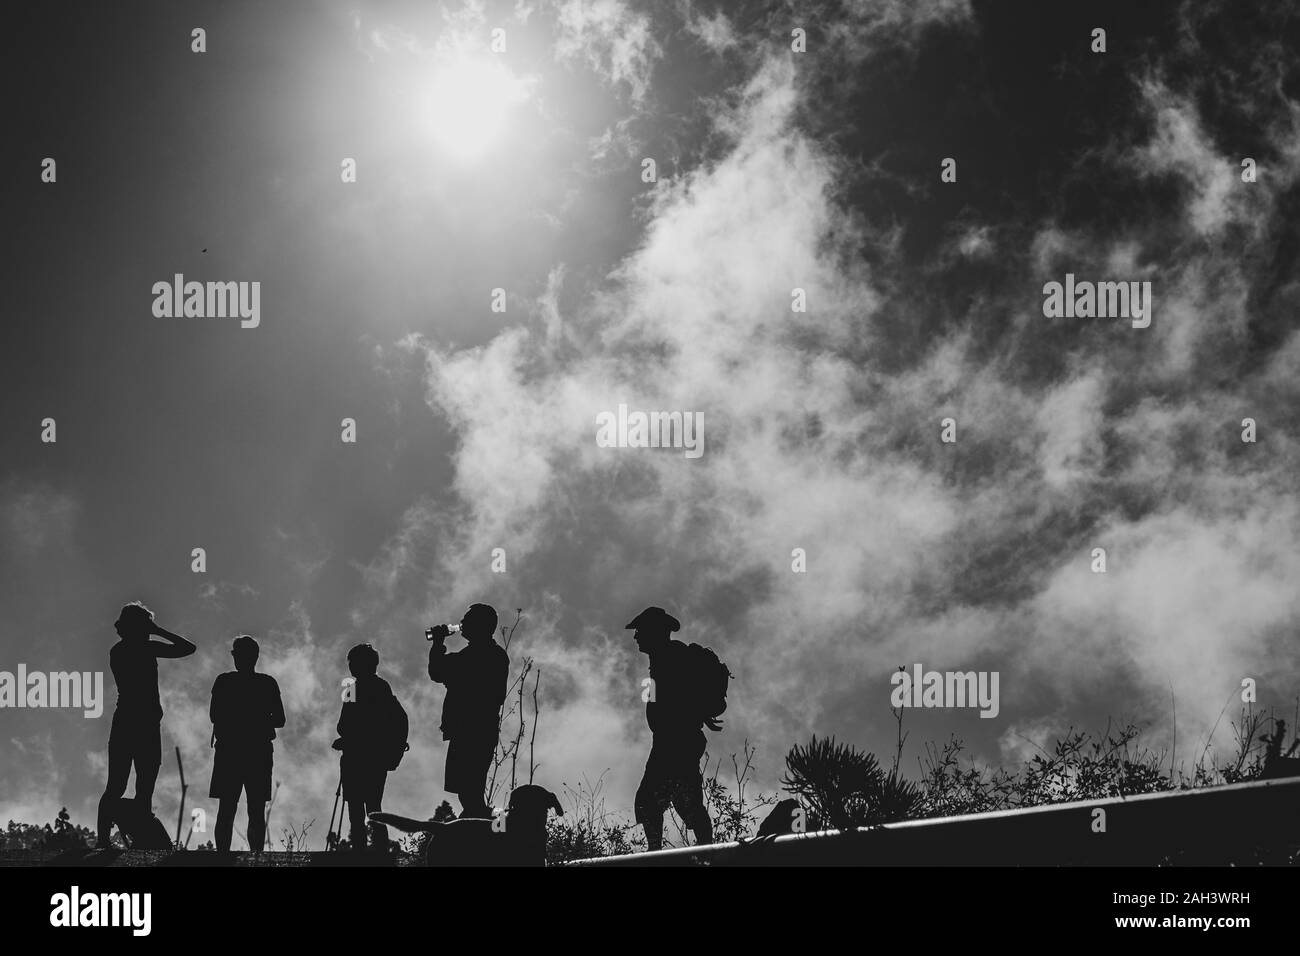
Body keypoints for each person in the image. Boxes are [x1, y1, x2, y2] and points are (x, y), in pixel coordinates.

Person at [96, 601, 196, 848]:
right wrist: (158, 631)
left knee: (143, 784)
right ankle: (103, 839)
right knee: (119, 784)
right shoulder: (127, 650)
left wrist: (154, 631)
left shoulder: (133, 648)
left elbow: (188, 648)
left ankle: (135, 837)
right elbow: (187, 648)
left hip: (142, 725)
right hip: (135, 724)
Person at [628, 606, 716, 851]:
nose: (636, 636)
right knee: (681, 799)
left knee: (654, 800)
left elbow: (673, 698)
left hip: (676, 741)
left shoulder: (671, 656)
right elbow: (654, 700)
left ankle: (665, 852)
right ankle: (704, 849)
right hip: (672, 740)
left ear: (654, 631)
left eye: (640, 631)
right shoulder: (659, 660)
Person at [427, 603, 509, 818]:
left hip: (471, 732)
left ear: (480, 625)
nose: (462, 625)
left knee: (469, 792)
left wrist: (437, 643)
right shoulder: (492, 654)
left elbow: (437, 671)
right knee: (469, 792)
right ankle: (478, 829)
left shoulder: (479, 655)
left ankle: (478, 834)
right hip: (476, 730)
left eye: (468, 620)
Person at [208, 635, 285, 853]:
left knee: (230, 808)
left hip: (232, 751)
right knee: (252, 809)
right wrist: (258, 719)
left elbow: (215, 715)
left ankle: (228, 856)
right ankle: (255, 856)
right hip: (255, 751)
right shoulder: (266, 683)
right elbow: (279, 719)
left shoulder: (224, 681)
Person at [333, 643, 398, 851]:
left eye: (353, 662)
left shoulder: (351, 688)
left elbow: (344, 724)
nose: (351, 666)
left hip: (356, 756)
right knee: (373, 805)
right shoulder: (382, 687)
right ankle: (379, 849)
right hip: (376, 757)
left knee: (355, 806)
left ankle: (359, 849)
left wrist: (349, 738)